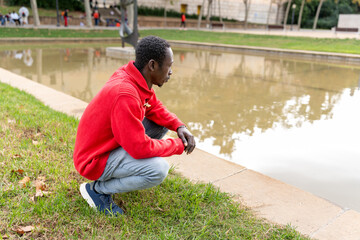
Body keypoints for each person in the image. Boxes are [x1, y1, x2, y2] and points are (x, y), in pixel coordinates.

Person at [74, 36, 196, 216]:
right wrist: (177, 145)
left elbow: (154, 106)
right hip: (94, 160)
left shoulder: (134, 77)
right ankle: (98, 191)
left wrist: (179, 126)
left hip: (108, 145)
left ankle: (123, 172)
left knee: (160, 123)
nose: (171, 72)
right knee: (158, 170)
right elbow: (140, 148)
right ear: (153, 65)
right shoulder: (125, 94)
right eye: (169, 66)